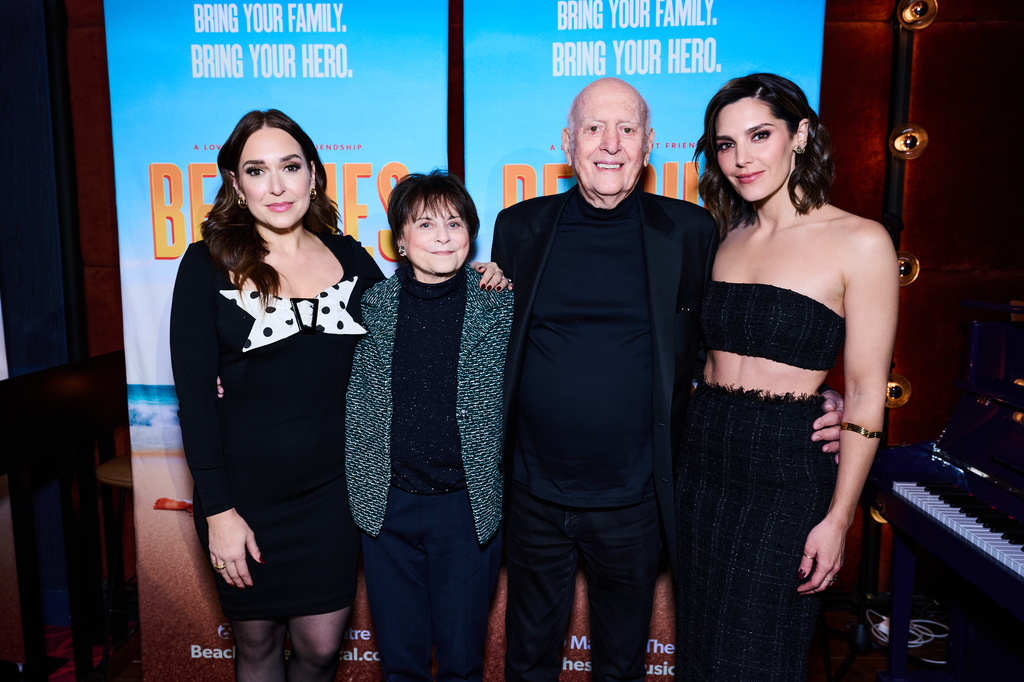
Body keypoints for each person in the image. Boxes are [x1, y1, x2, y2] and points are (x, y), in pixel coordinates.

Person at [491, 78, 844, 682]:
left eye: (627, 129)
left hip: (637, 500)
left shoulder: (690, 232)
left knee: (622, 664)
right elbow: (484, 341)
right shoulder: (518, 228)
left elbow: (724, 341)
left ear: (649, 143)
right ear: (567, 142)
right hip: (532, 495)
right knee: (526, 661)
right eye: (593, 128)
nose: (610, 144)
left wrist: (815, 394)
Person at [170, 111, 505, 681]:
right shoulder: (206, 265)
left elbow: (418, 311)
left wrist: (483, 275)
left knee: (322, 649)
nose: (277, 186)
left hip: (332, 496)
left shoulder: (349, 258)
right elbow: (196, 398)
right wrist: (220, 512)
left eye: (290, 167)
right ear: (235, 183)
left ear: (313, 175)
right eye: (257, 170)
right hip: (246, 495)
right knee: (256, 647)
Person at [675, 73, 899, 681]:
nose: (741, 159)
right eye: (725, 144)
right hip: (701, 465)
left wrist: (839, 518)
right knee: (697, 653)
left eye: (759, 135)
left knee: (757, 658)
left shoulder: (861, 242)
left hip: (785, 478)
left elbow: (866, 392)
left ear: (800, 134)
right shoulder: (722, 235)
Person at [345, 170, 512, 681]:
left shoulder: (500, 302)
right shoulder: (369, 306)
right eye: (425, 224)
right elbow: (314, 370)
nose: (442, 236)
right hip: (386, 508)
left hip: (465, 509)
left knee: (461, 664)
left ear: (471, 235)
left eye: (454, 223)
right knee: (401, 665)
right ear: (400, 239)